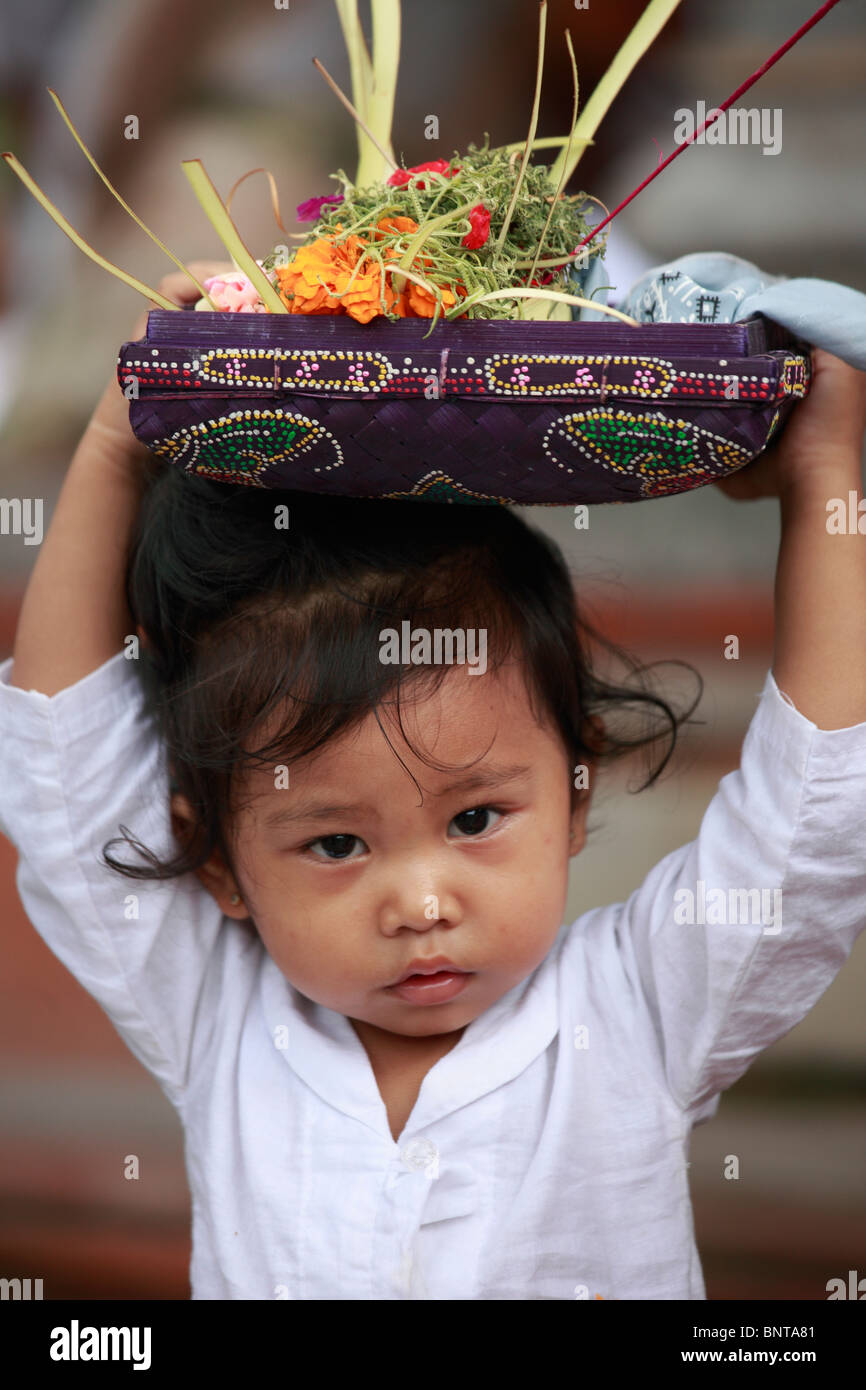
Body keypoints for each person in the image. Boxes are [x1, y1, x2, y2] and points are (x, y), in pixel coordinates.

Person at [1, 262, 865, 1301]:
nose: (420, 903)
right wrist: (111, 447)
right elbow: (64, 771)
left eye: (473, 817)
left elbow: (808, 825)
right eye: (334, 843)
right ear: (221, 864)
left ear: (574, 793)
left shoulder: (641, 1007)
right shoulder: (214, 1014)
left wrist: (826, 481)